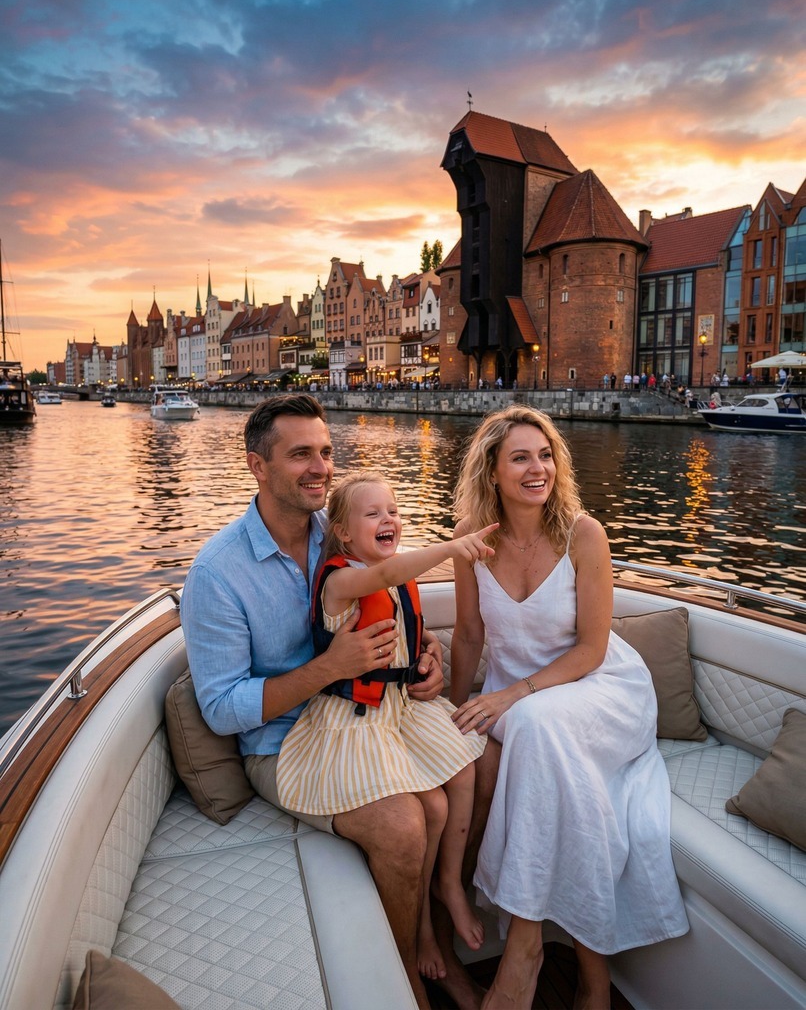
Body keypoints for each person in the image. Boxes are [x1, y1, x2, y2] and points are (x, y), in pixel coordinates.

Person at [181, 394, 447, 1008]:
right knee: (406, 824)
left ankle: (438, 941)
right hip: (282, 746)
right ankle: (406, 981)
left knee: (472, 775)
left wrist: (427, 657)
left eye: (325, 452)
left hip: (369, 719)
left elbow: (396, 608)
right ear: (258, 466)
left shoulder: (346, 532)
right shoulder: (218, 573)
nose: (319, 467)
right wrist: (329, 667)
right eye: (300, 454)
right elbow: (222, 707)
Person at [449, 405, 689, 1009]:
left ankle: (524, 946)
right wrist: (452, 710)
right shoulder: (470, 546)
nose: (539, 469)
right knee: (539, 741)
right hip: (524, 702)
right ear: (492, 473)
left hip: (603, 691)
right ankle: (593, 980)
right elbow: (470, 635)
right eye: (521, 458)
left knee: (532, 727)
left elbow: (592, 649)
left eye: (546, 454)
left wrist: (512, 695)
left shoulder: (583, 534)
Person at [276, 470, 492, 979]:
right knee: (431, 807)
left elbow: (402, 631)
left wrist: (426, 658)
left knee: (464, 772)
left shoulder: (395, 576)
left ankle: (449, 888)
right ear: (344, 533)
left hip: (398, 708)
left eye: (393, 511)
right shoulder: (341, 579)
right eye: (372, 513)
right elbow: (379, 580)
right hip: (352, 722)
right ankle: (417, 934)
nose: (387, 519)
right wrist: (453, 546)